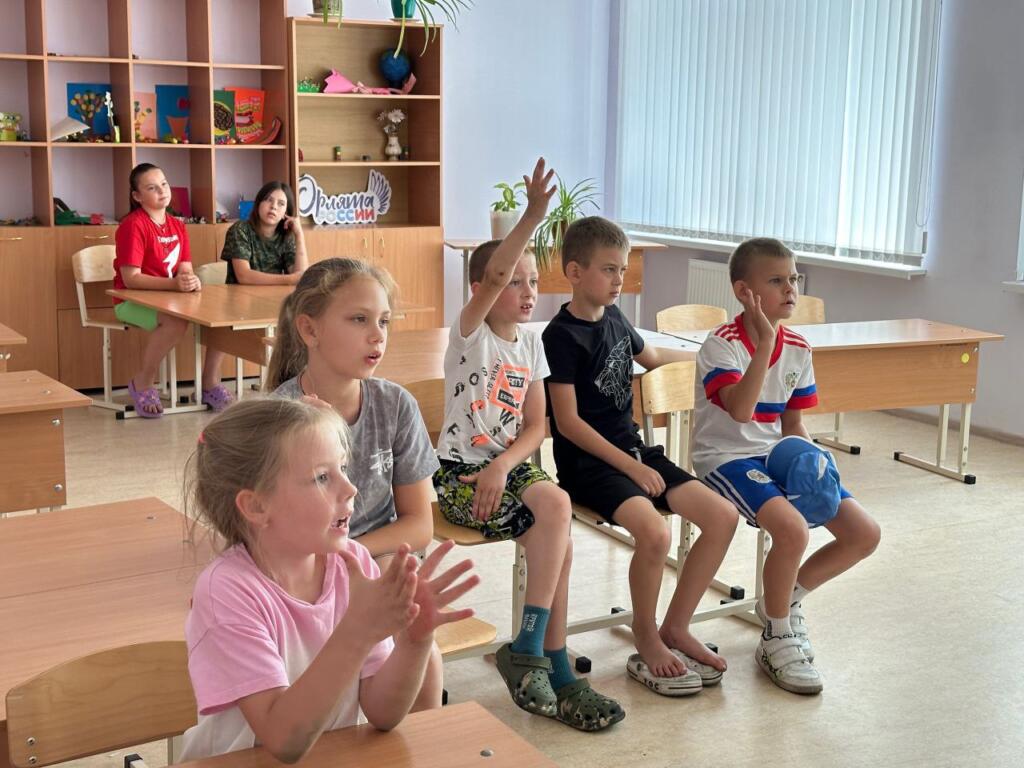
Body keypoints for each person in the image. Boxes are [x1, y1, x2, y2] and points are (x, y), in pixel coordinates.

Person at [179, 398, 478, 761]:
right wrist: (359, 630)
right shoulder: (227, 591)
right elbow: (283, 740)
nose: (351, 488)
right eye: (322, 477)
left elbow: (382, 712)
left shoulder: (353, 565)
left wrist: (414, 641)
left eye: (343, 468)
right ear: (257, 506)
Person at [434, 158, 623, 730]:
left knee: (557, 512)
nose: (525, 291)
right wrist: (534, 215)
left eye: (533, 281)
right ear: (482, 289)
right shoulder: (469, 336)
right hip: (461, 474)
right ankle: (553, 662)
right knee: (558, 537)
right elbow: (493, 274)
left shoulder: (532, 344)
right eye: (513, 281)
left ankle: (531, 649)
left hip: (507, 470)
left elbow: (537, 426)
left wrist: (505, 466)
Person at [543, 216, 739, 695]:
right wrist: (630, 466)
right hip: (589, 466)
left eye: (622, 269)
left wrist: (713, 362)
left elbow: (652, 358)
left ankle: (676, 626)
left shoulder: (615, 318)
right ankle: (646, 635)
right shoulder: (559, 337)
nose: (619, 280)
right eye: (609, 269)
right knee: (655, 532)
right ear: (575, 272)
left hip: (635, 453)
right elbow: (567, 423)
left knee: (722, 516)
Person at [694, 237, 881, 694]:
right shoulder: (722, 345)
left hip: (776, 453)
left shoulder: (799, 347)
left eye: (793, 278)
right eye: (777, 280)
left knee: (864, 533)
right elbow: (741, 412)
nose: (791, 288)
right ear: (744, 291)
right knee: (793, 530)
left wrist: (815, 461)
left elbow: (792, 424)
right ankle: (776, 636)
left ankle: (785, 600)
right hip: (726, 458)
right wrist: (765, 346)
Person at [266, 258, 444, 711]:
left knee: (420, 647)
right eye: (359, 320)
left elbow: (419, 525)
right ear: (310, 330)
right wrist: (336, 561)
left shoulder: (396, 405)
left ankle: (422, 739)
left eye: (383, 321)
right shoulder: (281, 416)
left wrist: (354, 556)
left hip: (379, 553)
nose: (377, 335)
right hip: (304, 562)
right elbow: (272, 531)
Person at [113, 162, 227, 416]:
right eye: (152, 188)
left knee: (219, 316)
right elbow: (131, 279)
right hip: (130, 301)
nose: (162, 191)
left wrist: (189, 280)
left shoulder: (177, 225)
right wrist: (174, 284)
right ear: (137, 196)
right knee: (175, 322)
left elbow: (184, 267)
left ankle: (209, 384)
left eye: (164, 184)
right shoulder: (133, 225)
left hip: (169, 298)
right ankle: (143, 381)